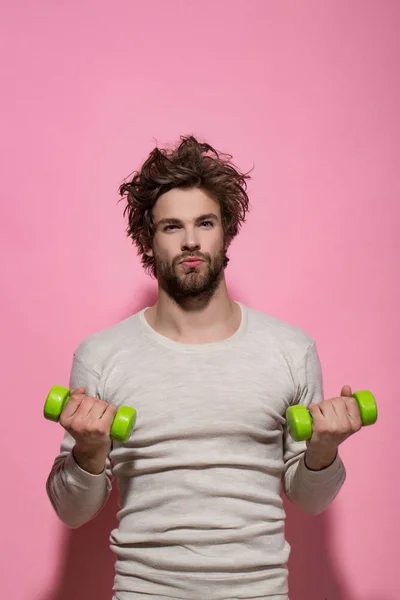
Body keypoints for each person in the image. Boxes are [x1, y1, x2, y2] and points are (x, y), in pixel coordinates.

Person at [46, 135, 363, 600]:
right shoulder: (101, 356)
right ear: (148, 242)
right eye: (172, 226)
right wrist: (89, 455)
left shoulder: (290, 350)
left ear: (226, 231)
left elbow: (309, 500)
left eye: (205, 222)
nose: (191, 240)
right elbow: (71, 512)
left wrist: (324, 450)